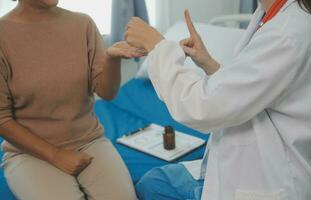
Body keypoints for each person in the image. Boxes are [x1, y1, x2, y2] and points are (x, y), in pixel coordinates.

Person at [125, 0, 311, 199]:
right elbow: (249, 89)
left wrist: (157, 46)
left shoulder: (286, 33)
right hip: (237, 161)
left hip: (268, 177)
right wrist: (209, 65)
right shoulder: (269, 16)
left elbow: (202, 107)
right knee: (153, 183)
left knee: (154, 187)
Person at [0, 0, 145, 199]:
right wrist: (56, 155)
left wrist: (112, 59)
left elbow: (107, 93)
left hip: (89, 142)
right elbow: (2, 119)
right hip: (29, 153)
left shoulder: (82, 24)